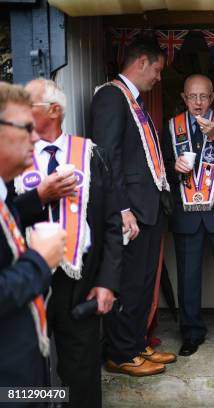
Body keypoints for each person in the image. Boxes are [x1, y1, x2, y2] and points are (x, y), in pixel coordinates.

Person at [11, 79, 122, 406]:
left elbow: (112, 223)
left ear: (53, 111)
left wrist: (107, 283)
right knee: (27, 371)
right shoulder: (11, 155)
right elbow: (5, 215)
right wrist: (39, 197)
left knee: (82, 372)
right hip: (26, 283)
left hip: (80, 282)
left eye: (27, 105)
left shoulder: (91, 154)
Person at [91, 36, 176, 376]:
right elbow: (107, 156)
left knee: (141, 283)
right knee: (127, 284)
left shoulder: (135, 100)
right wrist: (122, 208)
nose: (158, 77)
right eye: (156, 69)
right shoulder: (112, 96)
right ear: (141, 62)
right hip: (131, 210)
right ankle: (121, 353)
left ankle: (137, 343)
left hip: (149, 206)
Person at [162, 74, 214, 356]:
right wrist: (174, 168)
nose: (197, 103)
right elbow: (161, 167)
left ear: (212, 97)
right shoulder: (172, 126)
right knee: (188, 276)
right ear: (184, 98)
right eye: (191, 96)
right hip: (187, 210)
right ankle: (191, 332)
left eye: (203, 96)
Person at [0, 82, 66, 389]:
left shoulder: (4, 195)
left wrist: (38, 198)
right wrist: (39, 261)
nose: (37, 137)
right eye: (27, 128)